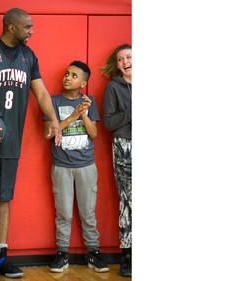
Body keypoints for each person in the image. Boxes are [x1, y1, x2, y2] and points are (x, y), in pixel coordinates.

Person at [0, 8, 62, 281]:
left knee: (5, 198)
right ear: (11, 27)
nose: (32, 31)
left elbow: (41, 91)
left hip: (12, 141)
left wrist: (53, 119)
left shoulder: (28, 56)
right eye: (28, 27)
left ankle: (2, 255)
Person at [43, 61, 109, 273]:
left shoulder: (90, 102)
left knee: (88, 212)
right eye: (66, 74)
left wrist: (82, 113)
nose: (68, 78)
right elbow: (49, 133)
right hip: (62, 166)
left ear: (83, 82)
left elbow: (95, 134)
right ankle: (62, 254)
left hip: (86, 166)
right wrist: (71, 116)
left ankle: (94, 252)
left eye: (74, 75)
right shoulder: (53, 102)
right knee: (63, 212)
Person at [101, 43, 132, 277]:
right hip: (125, 146)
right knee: (128, 202)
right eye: (120, 59)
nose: (124, 62)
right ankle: (128, 256)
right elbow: (109, 123)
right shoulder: (113, 87)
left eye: (129, 57)